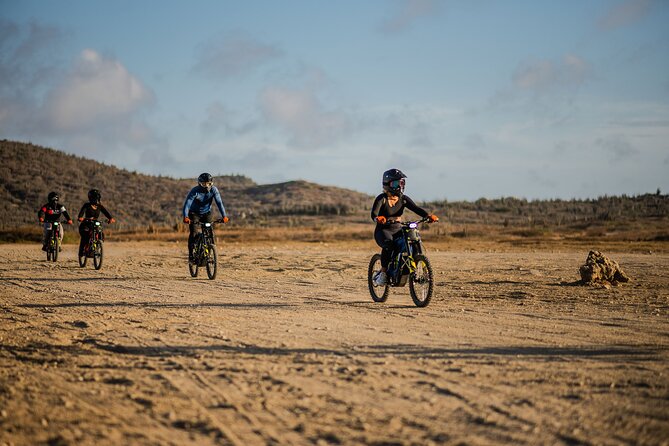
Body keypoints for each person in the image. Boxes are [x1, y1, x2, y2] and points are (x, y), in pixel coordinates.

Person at [370, 169, 438, 286]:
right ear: (388, 184)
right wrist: (378, 219)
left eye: (401, 183)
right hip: (383, 230)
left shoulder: (403, 199)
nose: (399, 186)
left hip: (398, 228)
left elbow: (416, 208)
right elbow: (374, 214)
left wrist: (428, 216)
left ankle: (415, 270)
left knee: (413, 241)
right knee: (389, 245)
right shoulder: (382, 198)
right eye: (396, 183)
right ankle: (383, 273)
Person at [182, 173, 229, 263]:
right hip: (194, 213)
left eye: (209, 184)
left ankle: (210, 250)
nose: (206, 186)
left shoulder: (214, 190)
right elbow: (187, 204)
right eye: (204, 184)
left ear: (212, 183)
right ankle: (191, 255)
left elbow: (219, 203)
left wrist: (224, 216)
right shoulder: (195, 191)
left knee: (209, 231)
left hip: (207, 213)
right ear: (200, 183)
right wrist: (186, 217)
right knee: (194, 233)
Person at [77, 189, 115, 257]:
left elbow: (106, 213)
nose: (96, 199)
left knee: (100, 233)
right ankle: (81, 251)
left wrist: (110, 218)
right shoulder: (87, 205)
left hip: (95, 223)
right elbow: (81, 214)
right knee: (85, 236)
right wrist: (81, 218)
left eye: (97, 197)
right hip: (86, 224)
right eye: (95, 197)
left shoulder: (100, 206)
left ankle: (97, 246)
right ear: (91, 198)